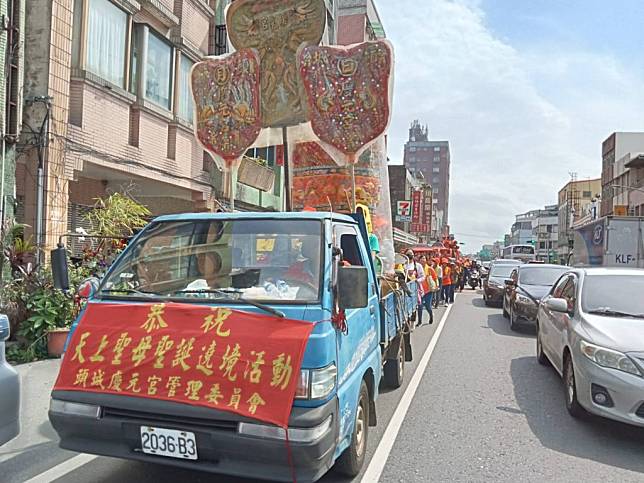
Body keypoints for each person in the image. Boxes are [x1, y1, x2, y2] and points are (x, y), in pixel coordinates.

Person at [404, 249, 426, 325]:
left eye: (411, 255)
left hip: (415, 288)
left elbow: (423, 277)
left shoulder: (417, 265)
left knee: (413, 306)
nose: (409, 256)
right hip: (405, 288)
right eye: (408, 254)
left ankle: (413, 322)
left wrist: (417, 280)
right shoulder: (403, 265)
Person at [420, 255, 437, 324]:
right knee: (420, 306)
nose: (422, 260)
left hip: (428, 290)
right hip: (420, 291)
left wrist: (436, 286)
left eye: (424, 258)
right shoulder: (417, 268)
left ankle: (431, 315)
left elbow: (435, 278)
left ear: (426, 260)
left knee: (428, 306)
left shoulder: (430, 269)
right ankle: (420, 321)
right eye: (421, 259)